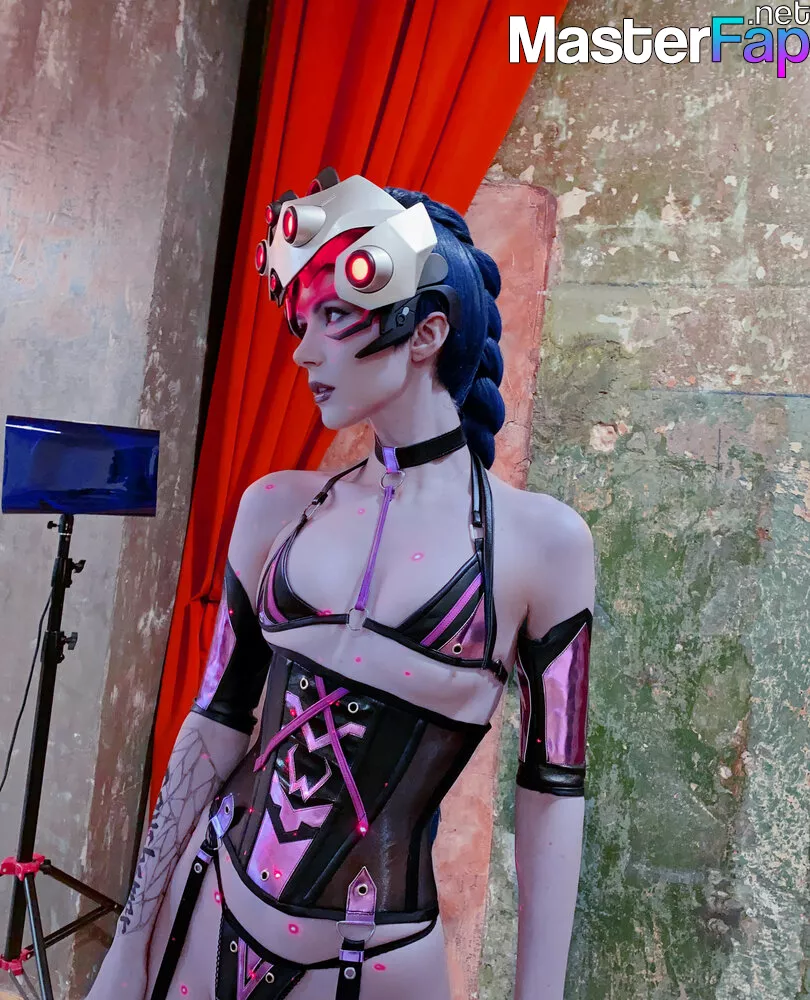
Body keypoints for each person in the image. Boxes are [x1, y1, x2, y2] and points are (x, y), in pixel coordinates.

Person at [87, 170, 595, 1000]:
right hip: (203, 912)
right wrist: (128, 943)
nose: (303, 351)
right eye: (304, 319)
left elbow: (553, 791)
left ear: (426, 331)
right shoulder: (274, 509)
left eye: (334, 317)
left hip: (382, 966)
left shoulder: (545, 546)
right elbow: (213, 725)